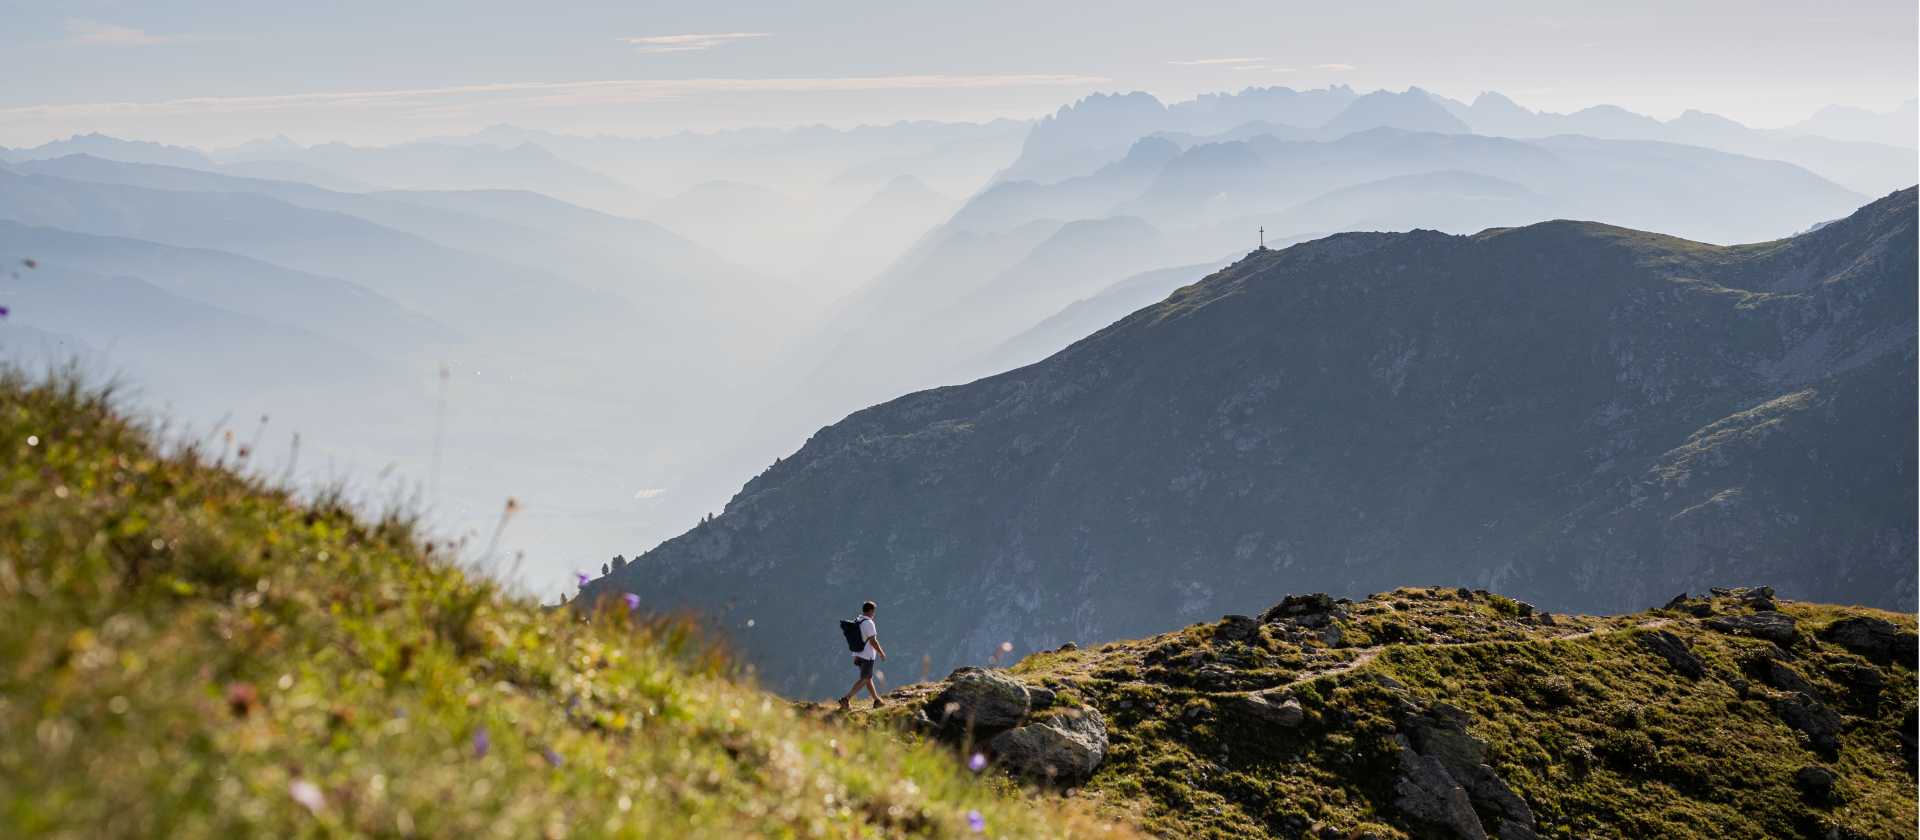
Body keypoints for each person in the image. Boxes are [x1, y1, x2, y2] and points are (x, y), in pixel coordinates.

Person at [838, 600, 887, 710]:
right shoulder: (869, 623)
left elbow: (856, 639)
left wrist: (855, 655)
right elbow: (873, 641)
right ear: (870, 611)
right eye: (874, 611)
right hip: (867, 656)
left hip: (858, 654)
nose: (874, 614)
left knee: (868, 678)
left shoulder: (858, 620)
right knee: (865, 678)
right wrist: (881, 653)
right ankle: (846, 699)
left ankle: (877, 700)